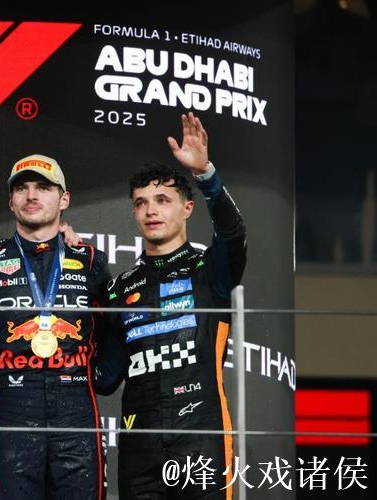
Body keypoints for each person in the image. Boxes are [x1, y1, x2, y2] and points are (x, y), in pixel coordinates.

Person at [96, 113, 247, 499]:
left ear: (187, 208)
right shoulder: (119, 289)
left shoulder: (210, 270)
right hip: (139, 448)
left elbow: (233, 234)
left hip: (201, 439)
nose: (151, 211)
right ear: (133, 212)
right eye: (141, 203)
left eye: (162, 200)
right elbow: (105, 377)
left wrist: (206, 176)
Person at [0, 155, 112, 500]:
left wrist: (101, 377)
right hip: (13, 403)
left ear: (64, 199)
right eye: (22, 188)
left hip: (77, 406)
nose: (32, 195)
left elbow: (112, 332)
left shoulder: (91, 261)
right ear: (11, 201)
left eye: (44, 188)